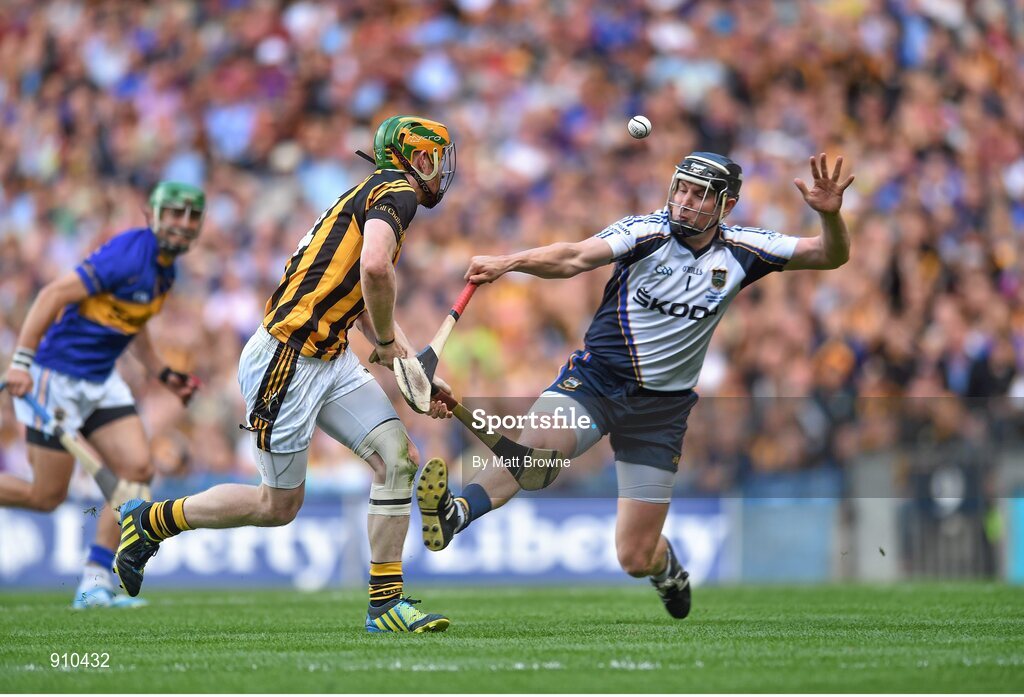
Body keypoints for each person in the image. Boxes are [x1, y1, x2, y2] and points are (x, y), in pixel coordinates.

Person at [419, 152, 854, 618]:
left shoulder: (745, 249)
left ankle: (667, 569)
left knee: (634, 556)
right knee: (534, 452)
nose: (684, 202)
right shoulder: (644, 233)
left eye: (699, 194)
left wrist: (830, 216)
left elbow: (830, 255)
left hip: (661, 412)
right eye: (681, 189)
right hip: (596, 383)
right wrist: (511, 262)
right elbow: (573, 258)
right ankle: (457, 513)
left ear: (725, 207)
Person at [113, 116, 457, 633]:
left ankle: (386, 605)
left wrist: (412, 366)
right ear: (418, 159)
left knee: (399, 458)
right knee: (277, 505)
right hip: (288, 358)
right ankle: (150, 522)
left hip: (329, 354)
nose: (441, 171)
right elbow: (376, 272)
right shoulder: (397, 194)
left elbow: (356, 293)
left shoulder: (371, 193)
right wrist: (388, 346)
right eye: (436, 158)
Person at [0, 182, 205, 609]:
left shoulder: (166, 270)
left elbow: (136, 323)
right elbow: (53, 294)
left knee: (138, 467)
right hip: (56, 378)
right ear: (151, 215)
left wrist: (164, 373)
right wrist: (21, 361)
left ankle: (94, 583)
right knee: (45, 496)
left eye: (191, 216)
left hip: (100, 379)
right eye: (173, 213)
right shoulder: (127, 254)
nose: (183, 224)